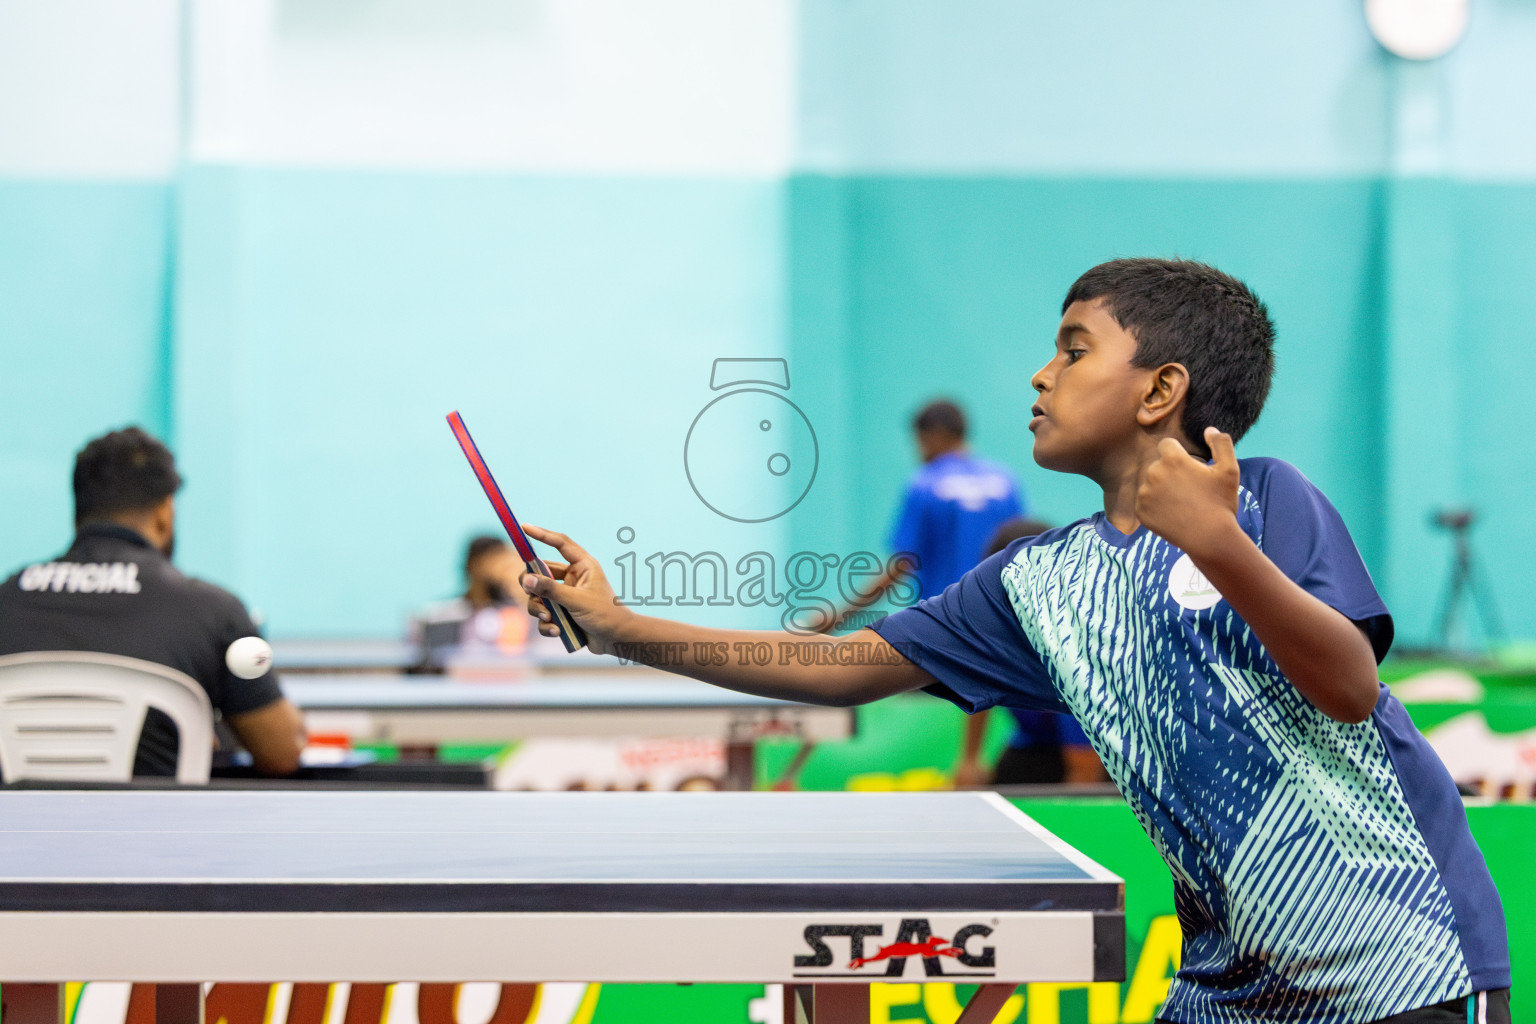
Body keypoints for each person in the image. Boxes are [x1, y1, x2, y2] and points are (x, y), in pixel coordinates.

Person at [515, 258, 1510, 1024]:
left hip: (1404, 967)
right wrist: (621, 628)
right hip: (1225, 986)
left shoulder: (1268, 501)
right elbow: (839, 669)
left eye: (1074, 349)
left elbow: (1347, 683)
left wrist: (1215, 541)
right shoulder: (1036, 580)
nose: (1040, 373)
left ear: (1160, 390)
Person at [0, 427, 304, 777]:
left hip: (19, 830)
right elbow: (282, 752)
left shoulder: (5, 598)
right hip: (160, 831)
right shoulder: (214, 612)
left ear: (78, 513)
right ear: (165, 513)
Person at [831, 400, 1026, 629]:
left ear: (934, 435)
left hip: (943, 624)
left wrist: (839, 615)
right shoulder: (1006, 481)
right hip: (998, 624)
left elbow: (901, 565)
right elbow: (1020, 553)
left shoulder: (925, 484)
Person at [953, 517, 1108, 787]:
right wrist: (970, 759)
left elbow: (1084, 779)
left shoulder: (1074, 650)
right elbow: (980, 682)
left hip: (1101, 754)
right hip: (1032, 744)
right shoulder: (994, 630)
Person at [408, 535, 557, 667]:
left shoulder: (522, 616)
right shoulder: (438, 615)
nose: (503, 572)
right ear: (474, 565)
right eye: (501, 565)